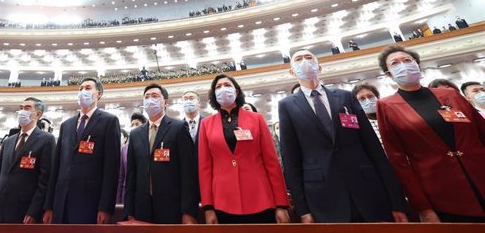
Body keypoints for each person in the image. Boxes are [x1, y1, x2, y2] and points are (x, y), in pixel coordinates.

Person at [278, 50, 408, 223]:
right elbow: (291, 160)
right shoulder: (287, 105)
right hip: (323, 195)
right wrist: (303, 210)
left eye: (309, 57)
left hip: (366, 187)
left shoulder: (345, 97)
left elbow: (372, 146)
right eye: (298, 59)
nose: (304, 61)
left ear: (319, 67)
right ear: (292, 72)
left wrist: (396, 201)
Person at [376, 45, 485, 222]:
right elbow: (399, 162)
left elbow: (481, 132)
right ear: (389, 75)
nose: (403, 65)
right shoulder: (387, 106)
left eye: (407, 60)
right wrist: (422, 206)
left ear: (417, 64)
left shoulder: (450, 95)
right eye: (395, 63)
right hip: (442, 191)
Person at [200, 74, 289, 224]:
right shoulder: (206, 124)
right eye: (218, 87)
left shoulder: (256, 119)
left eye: (227, 85)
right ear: (214, 94)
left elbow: (271, 162)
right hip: (223, 201)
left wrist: (281, 204)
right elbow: (205, 168)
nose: (223, 89)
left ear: (237, 91)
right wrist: (208, 207)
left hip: (260, 198)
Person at [43, 77, 121, 224]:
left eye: (88, 88)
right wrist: (49, 205)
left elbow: (111, 168)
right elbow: (57, 167)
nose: (83, 91)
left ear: (99, 94)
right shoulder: (66, 125)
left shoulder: (109, 121)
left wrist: (105, 207)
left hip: (89, 202)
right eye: (80, 89)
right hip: (61, 201)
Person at [124, 83, 198, 224]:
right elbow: (131, 176)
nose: (150, 99)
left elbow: (188, 173)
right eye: (147, 97)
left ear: (165, 102)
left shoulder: (178, 127)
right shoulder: (135, 134)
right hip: (141, 210)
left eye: (155, 96)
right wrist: (129, 211)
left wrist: (188, 211)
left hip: (172, 208)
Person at [0, 97, 55, 224]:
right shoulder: (8, 141)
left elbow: (45, 181)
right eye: (21, 108)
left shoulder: (47, 140)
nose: (22, 111)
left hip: (23, 209)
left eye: (27, 108)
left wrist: (34, 211)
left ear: (38, 114)